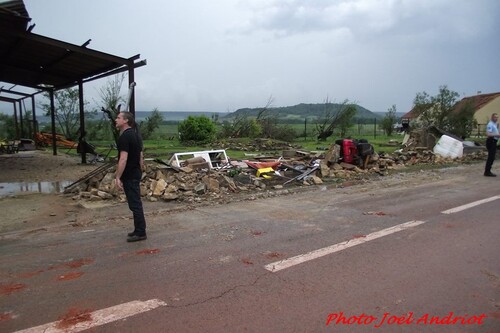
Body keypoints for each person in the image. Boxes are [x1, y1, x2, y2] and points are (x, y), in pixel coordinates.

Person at [114, 111, 147, 242]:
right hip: (135, 172)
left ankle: (140, 232)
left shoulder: (124, 137)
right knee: (135, 204)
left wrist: (117, 177)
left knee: (135, 204)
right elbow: (140, 155)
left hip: (130, 174)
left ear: (126, 121)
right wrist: (141, 167)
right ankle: (138, 230)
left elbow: (123, 159)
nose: (116, 120)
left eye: (118, 118)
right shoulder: (135, 135)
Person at [484, 113, 500, 177]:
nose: (496, 118)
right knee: (491, 157)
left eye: (497, 117)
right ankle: (487, 171)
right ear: (492, 117)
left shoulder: (494, 124)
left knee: (492, 157)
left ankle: (488, 171)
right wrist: (497, 135)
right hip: (491, 141)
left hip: (494, 141)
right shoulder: (490, 124)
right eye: (495, 117)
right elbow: (488, 134)